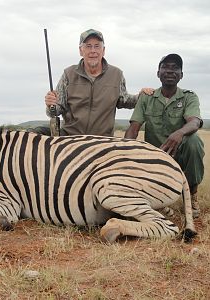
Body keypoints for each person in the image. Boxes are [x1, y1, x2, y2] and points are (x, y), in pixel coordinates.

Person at [30, 29, 153, 136]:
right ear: (81, 51)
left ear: (103, 50)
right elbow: (55, 111)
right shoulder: (68, 74)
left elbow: (124, 100)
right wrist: (50, 104)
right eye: (88, 46)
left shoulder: (117, 74)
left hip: (101, 140)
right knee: (32, 133)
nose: (93, 51)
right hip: (70, 138)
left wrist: (141, 96)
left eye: (97, 46)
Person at [124, 53, 204, 218]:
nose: (170, 71)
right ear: (158, 73)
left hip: (179, 155)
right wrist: (124, 152)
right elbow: (134, 128)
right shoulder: (147, 97)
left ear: (181, 75)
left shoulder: (189, 97)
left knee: (194, 141)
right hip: (154, 156)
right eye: (165, 67)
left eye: (175, 68)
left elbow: (195, 122)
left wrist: (179, 133)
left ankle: (192, 194)